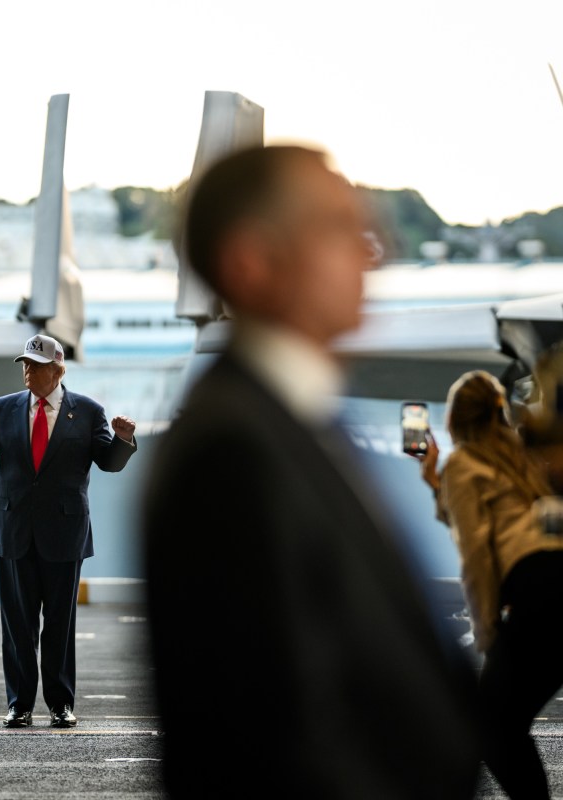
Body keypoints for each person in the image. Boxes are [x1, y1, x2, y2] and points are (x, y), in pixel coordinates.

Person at [143, 145, 480, 797]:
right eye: (338, 227)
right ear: (252, 261)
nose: (375, 247)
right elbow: (264, 737)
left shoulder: (290, 423)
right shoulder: (231, 453)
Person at [0, 333, 136, 729]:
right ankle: (20, 705)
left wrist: (123, 440)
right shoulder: (4, 409)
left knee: (60, 623)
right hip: (13, 530)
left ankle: (61, 704)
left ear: (58, 370)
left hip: (64, 531)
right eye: (25, 364)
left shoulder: (89, 411)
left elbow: (110, 463)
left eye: (37, 366)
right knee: (17, 624)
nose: (28, 372)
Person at [421, 370, 563, 799]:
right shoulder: (520, 454)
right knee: (504, 720)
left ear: (454, 419)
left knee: (492, 724)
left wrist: (487, 631)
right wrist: (435, 483)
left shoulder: (463, 463)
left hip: (541, 593)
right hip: (557, 580)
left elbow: (478, 554)